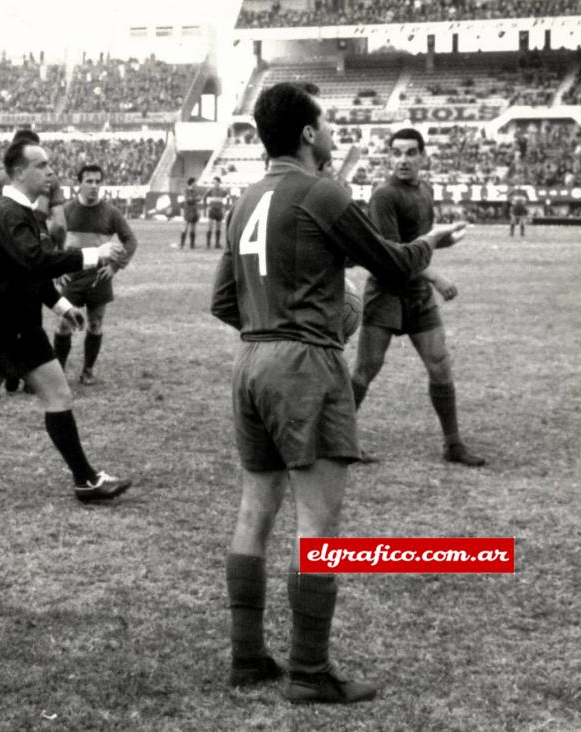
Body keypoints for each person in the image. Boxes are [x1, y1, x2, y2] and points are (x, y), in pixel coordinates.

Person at [210, 82, 466, 704]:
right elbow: (392, 263)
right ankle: (309, 672)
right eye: (325, 125)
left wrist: (275, 324)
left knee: (255, 512)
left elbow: (223, 301)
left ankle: (247, 658)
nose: (331, 135)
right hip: (305, 364)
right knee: (319, 522)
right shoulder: (322, 191)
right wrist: (435, 242)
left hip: (251, 362)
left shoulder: (245, 199)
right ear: (305, 133)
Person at [0, 139, 132, 501]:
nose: (50, 171)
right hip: (13, 326)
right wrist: (96, 253)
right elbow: (35, 261)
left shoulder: (20, 212)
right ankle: (86, 480)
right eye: (41, 165)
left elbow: (29, 270)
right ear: (18, 172)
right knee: (58, 394)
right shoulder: (10, 213)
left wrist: (61, 307)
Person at [350, 128, 485, 467]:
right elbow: (394, 254)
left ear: (423, 157)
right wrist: (436, 277)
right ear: (388, 157)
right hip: (386, 291)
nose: (403, 160)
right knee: (367, 368)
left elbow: (421, 242)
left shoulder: (425, 189)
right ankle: (337, 440)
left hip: (416, 293)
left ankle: (453, 445)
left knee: (440, 364)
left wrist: (448, 239)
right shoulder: (383, 195)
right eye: (396, 153)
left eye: (411, 153)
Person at [0, 129, 66, 394]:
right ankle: (21, 374)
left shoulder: (3, 184)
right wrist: (70, 255)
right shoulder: (13, 208)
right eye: (41, 164)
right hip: (27, 271)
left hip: (11, 281)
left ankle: (14, 376)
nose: (49, 171)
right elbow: (59, 228)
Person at [53, 164, 138, 385]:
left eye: (97, 181)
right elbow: (50, 240)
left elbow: (130, 240)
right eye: (89, 181)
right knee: (63, 325)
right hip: (72, 276)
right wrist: (56, 268)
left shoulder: (110, 212)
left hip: (99, 277)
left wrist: (115, 266)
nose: (94, 186)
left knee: (95, 324)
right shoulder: (66, 210)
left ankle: (88, 371)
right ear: (78, 183)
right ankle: (58, 372)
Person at [205, 176, 229, 249]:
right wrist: (206, 206)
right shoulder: (210, 190)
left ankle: (217, 244)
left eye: (215, 182)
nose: (214, 184)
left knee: (218, 228)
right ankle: (208, 244)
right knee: (210, 227)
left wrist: (226, 207)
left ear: (219, 182)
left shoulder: (223, 191)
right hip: (212, 210)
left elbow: (228, 198)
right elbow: (204, 197)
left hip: (219, 211)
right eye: (213, 182)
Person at [179, 177, 201, 249]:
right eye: (195, 182)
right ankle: (182, 244)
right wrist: (195, 199)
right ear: (192, 183)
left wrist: (194, 199)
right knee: (185, 227)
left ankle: (192, 244)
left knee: (193, 228)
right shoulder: (185, 191)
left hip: (194, 211)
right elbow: (189, 200)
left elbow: (199, 198)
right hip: (188, 211)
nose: (195, 184)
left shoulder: (195, 191)